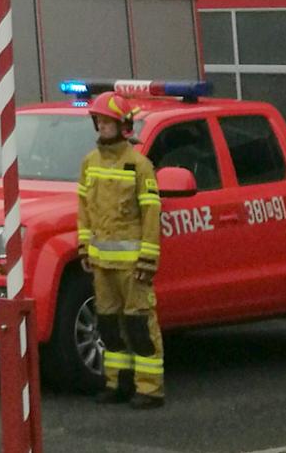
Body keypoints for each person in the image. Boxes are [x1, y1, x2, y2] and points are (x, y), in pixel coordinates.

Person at [78, 91, 164, 410]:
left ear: (122, 125)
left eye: (107, 120)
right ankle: (118, 382)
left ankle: (150, 388)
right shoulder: (89, 163)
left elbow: (152, 215)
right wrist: (84, 247)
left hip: (133, 265)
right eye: (98, 120)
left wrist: (148, 259)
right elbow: (84, 208)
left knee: (139, 326)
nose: (101, 125)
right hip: (101, 263)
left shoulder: (140, 166)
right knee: (109, 327)